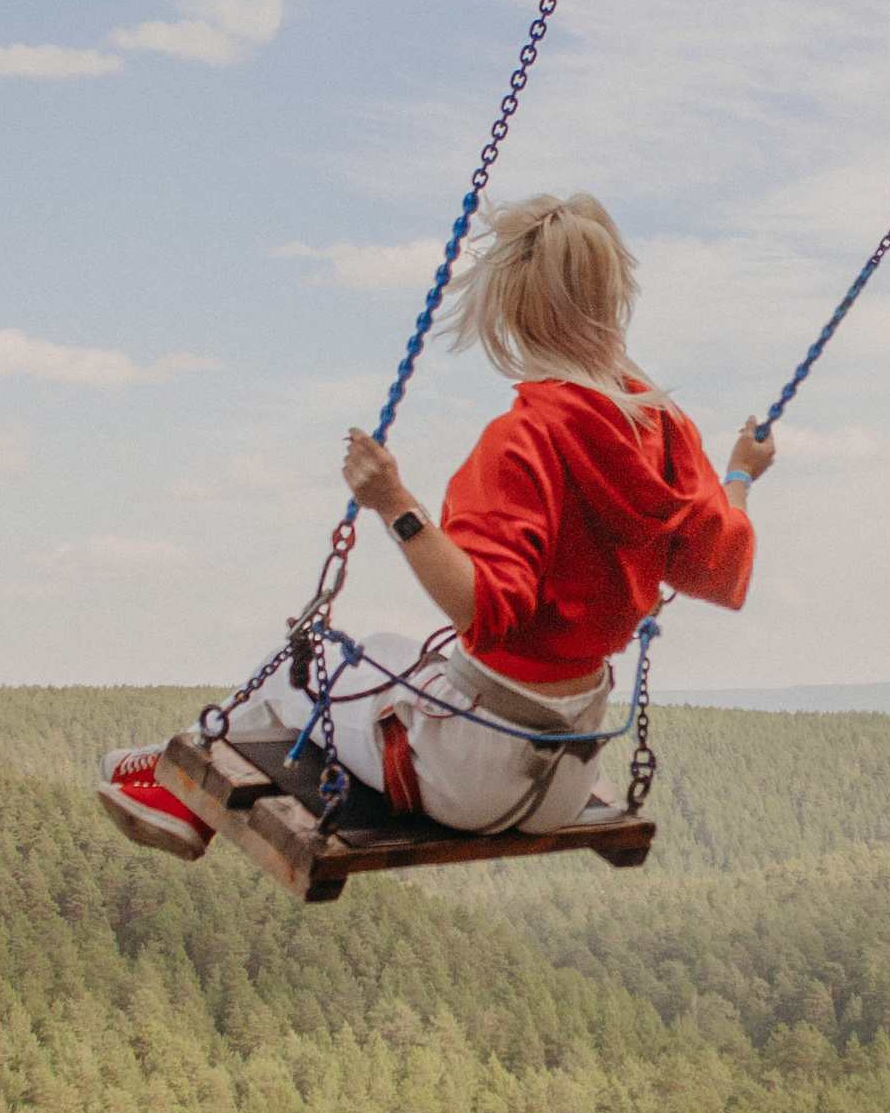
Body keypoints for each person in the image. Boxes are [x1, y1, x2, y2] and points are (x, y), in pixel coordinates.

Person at [97, 193, 776, 857]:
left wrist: (394, 503)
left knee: (296, 672)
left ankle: (172, 784)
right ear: (612, 297)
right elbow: (722, 564)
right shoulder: (662, 432)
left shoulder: (524, 440)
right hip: (564, 777)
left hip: (471, 775)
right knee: (391, 646)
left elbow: (484, 609)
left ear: (514, 310)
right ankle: (169, 782)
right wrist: (738, 475)